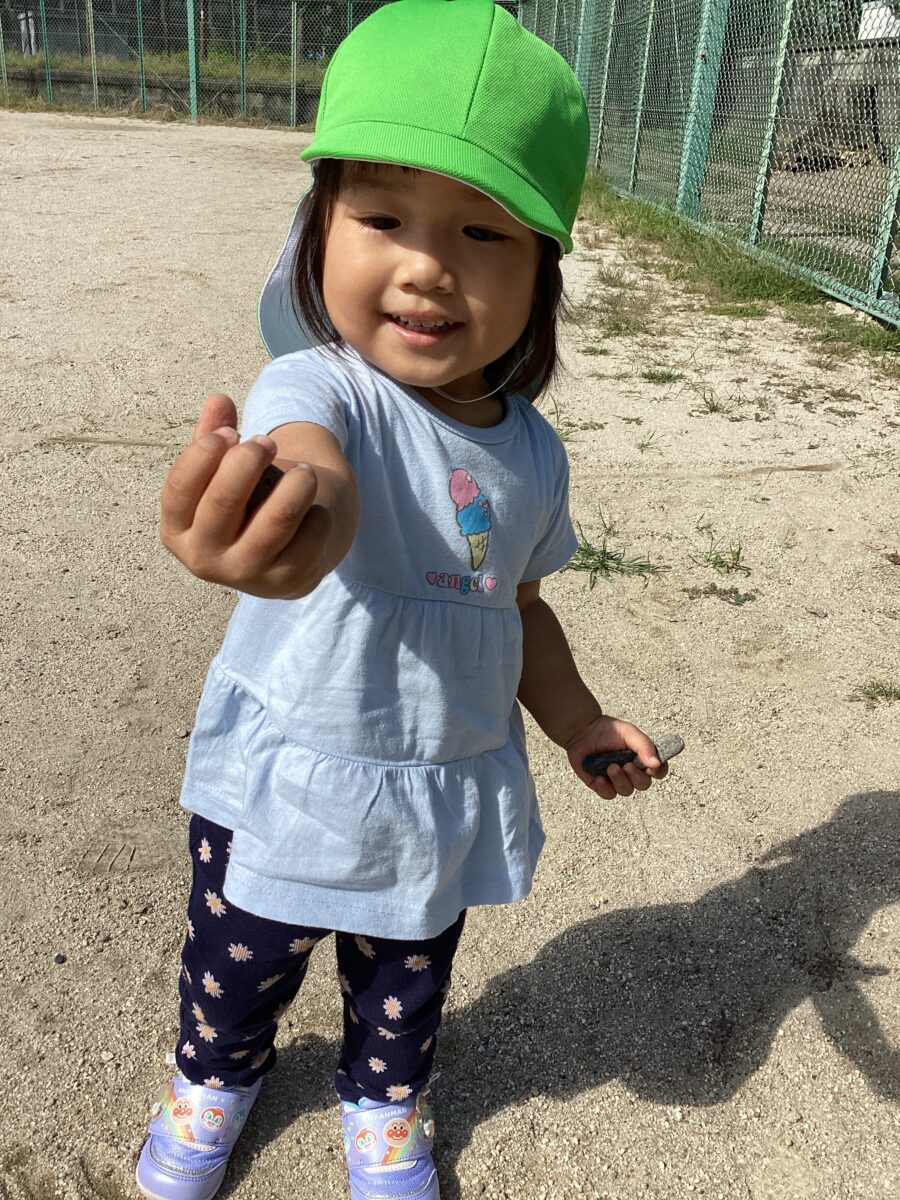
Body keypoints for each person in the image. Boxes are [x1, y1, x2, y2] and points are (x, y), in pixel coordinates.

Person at [135, 2, 670, 1198]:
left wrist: (579, 720)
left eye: (483, 232)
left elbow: (520, 605)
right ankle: (212, 1083)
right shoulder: (320, 386)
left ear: (542, 274)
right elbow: (310, 463)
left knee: (407, 979)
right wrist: (291, 523)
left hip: (437, 784)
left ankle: (382, 1110)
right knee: (237, 959)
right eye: (382, 218)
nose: (427, 264)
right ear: (318, 225)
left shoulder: (533, 456)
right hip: (291, 773)